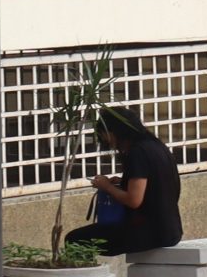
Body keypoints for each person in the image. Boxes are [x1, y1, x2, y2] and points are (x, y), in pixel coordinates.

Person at [63, 108, 185, 255]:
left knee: (75, 240)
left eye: (104, 135)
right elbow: (154, 185)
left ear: (113, 133)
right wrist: (123, 182)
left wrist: (106, 186)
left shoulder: (137, 153)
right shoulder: (156, 146)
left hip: (148, 233)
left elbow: (134, 200)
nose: (106, 141)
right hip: (170, 230)